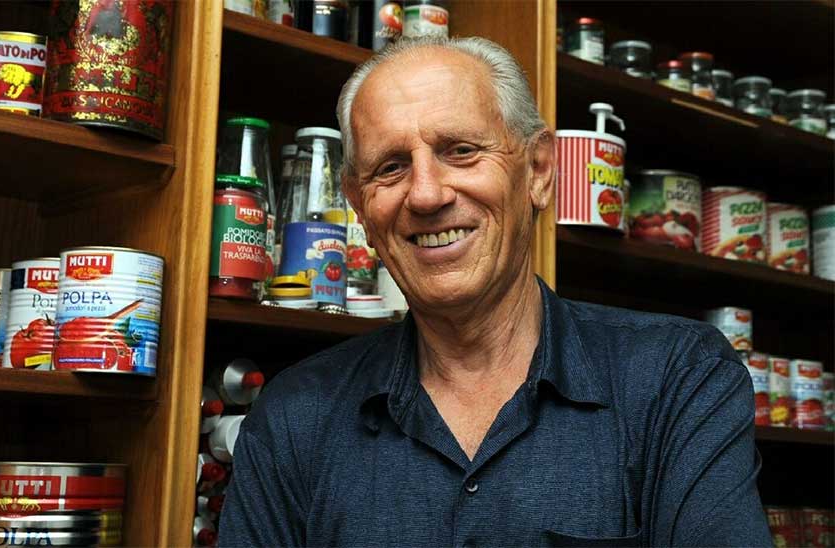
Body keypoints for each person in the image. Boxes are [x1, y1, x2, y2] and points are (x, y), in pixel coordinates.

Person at [218, 36, 771, 547]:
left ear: (538, 170)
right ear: (359, 204)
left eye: (460, 150)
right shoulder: (294, 418)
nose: (427, 194)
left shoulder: (677, 378)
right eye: (390, 167)